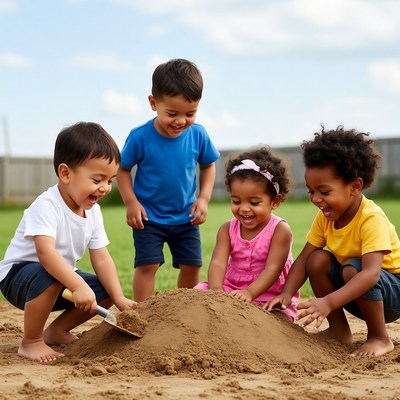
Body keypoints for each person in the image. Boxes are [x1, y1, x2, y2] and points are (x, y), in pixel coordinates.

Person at [0, 122, 135, 363]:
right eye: (97, 180)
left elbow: (101, 257)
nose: (105, 188)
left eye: (110, 180)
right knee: (51, 274)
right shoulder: (47, 205)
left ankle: (56, 331)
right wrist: (77, 285)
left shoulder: (93, 212)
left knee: (103, 288)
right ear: (65, 173)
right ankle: (31, 341)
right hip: (17, 278)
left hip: (56, 279)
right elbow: (46, 254)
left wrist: (118, 297)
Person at [265, 125, 400, 357]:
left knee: (352, 268)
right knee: (317, 259)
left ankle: (379, 337)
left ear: (355, 187)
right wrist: (287, 292)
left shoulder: (371, 218)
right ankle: (339, 330)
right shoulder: (326, 217)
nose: (316, 199)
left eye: (324, 192)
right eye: (310, 191)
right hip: (357, 288)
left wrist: (327, 302)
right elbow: (305, 258)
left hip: (391, 294)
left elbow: (371, 274)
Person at [116, 58, 220, 302]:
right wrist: (131, 202)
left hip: (186, 216)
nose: (181, 121)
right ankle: (141, 314)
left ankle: (182, 311)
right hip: (148, 218)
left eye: (190, 113)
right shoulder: (140, 136)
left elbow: (208, 165)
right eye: (172, 113)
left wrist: (203, 198)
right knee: (147, 265)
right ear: (154, 103)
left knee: (192, 266)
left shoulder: (198, 134)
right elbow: (122, 170)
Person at [195, 147, 299, 321]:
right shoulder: (227, 229)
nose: (244, 208)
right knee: (198, 295)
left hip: (268, 292)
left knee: (275, 318)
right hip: (232, 288)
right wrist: (216, 293)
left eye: (254, 202)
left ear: (275, 201)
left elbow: (273, 268)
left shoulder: (279, 230)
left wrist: (250, 292)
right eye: (236, 201)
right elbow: (218, 263)